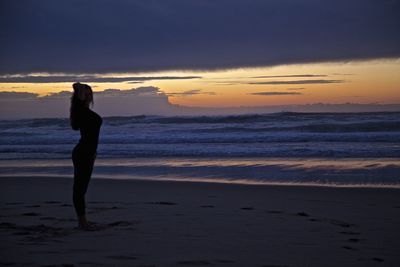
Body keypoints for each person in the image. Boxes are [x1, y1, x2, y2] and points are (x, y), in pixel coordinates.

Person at [70, 82, 102, 230]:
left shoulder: (83, 111)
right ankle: (82, 223)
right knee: (80, 190)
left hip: (88, 153)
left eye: (90, 94)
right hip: (83, 153)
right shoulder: (80, 111)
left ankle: (83, 221)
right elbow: (75, 85)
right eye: (86, 94)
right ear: (80, 96)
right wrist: (80, 92)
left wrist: (94, 153)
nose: (89, 97)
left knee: (82, 189)